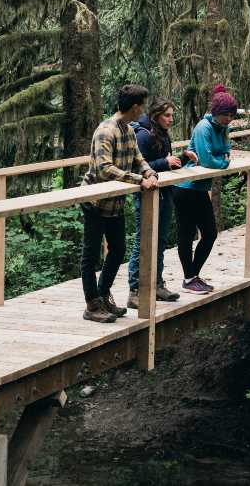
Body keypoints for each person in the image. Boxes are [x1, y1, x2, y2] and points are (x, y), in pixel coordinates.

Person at [81, 84, 158, 323]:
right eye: (142, 106)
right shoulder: (106, 131)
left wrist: (149, 173)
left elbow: (138, 158)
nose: (144, 110)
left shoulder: (129, 131)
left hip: (115, 203)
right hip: (96, 202)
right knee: (91, 255)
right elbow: (104, 169)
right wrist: (138, 179)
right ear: (135, 107)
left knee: (118, 250)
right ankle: (92, 304)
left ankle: (103, 295)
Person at [127, 98, 197, 308]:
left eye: (172, 115)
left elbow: (166, 164)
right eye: (167, 115)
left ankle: (156, 284)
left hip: (165, 193)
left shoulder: (162, 134)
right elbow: (137, 166)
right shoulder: (142, 135)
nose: (170, 119)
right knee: (143, 240)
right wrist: (164, 162)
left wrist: (183, 158)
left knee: (160, 240)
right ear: (156, 115)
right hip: (146, 194)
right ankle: (135, 290)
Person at [175, 84, 238, 294]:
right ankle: (189, 278)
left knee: (210, 233)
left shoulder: (223, 128)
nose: (228, 119)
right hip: (185, 186)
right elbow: (207, 161)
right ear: (216, 113)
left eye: (231, 115)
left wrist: (223, 158)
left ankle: (192, 276)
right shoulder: (204, 127)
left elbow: (227, 149)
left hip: (200, 187)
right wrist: (223, 163)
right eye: (225, 115)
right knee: (187, 233)